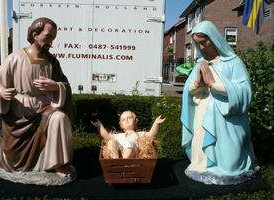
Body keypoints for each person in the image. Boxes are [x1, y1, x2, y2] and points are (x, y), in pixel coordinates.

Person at [0, 17, 75, 179]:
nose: (50, 43)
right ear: (34, 35)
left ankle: (56, 163)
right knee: (14, 162)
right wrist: (2, 93)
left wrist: (56, 87)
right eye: (47, 38)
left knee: (59, 117)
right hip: (20, 113)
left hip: (45, 108)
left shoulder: (52, 62)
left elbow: (65, 84)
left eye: (53, 39)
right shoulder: (16, 58)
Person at [181, 21, 258, 185]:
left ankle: (225, 168)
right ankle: (203, 165)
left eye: (204, 42)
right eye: (197, 43)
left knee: (229, 154)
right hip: (202, 112)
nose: (201, 47)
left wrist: (214, 85)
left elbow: (244, 90)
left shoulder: (232, 62)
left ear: (214, 39)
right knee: (202, 144)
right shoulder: (200, 64)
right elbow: (189, 89)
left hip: (225, 117)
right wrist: (198, 84)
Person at [91, 111, 165, 159]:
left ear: (135, 121)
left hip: (133, 152)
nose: (126, 120)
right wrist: (99, 126)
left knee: (130, 143)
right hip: (121, 151)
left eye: (129, 118)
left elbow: (151, 134)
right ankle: (115, 160)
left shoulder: (139, 134)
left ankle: (124, 162)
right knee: (111, 142)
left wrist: (156, 123)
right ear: (121, 125)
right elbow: (106, 136)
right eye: (123, 119)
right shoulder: (119, 135)